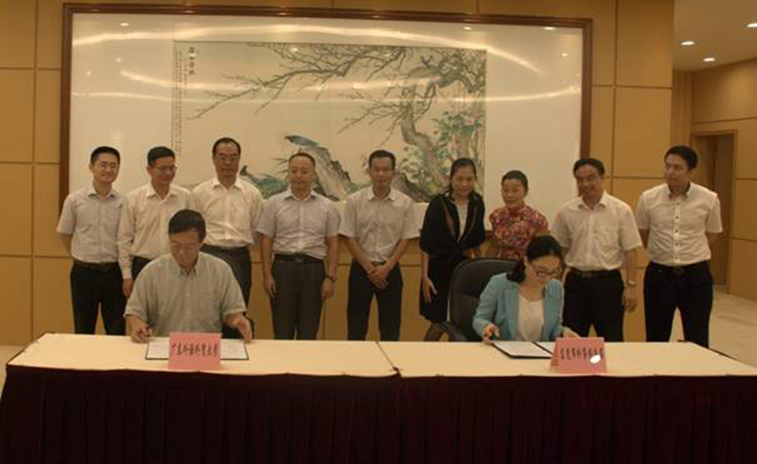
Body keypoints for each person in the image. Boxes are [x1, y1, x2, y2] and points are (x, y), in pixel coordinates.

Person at [636, 145, 722, 347]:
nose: (670, 172)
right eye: (667, 166)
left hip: (696, 275)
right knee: (656, 336)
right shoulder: (648, 198)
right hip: (659, 274)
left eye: (677, 167)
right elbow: (644, 232)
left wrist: (690, 253)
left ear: (691, 171)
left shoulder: (709, 199)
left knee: (697, 337)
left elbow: (712, 234)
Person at [124, 209, 253, 343]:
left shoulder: (220, 271)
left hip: (206, 347)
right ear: (169, 239)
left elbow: (232, 312)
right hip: (165, 345)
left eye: (189, 247)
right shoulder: (151, 272)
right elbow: (134, 312)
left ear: (202, 242)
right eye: (176, 245)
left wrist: (237, 320)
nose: (181, 252)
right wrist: (136, 324)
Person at [551, 158, 641, 341]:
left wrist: (631, 286)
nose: (585, 184)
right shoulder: (566, 211)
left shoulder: (621, 210)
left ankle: (607, 363)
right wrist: (554, 286)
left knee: (612, 339)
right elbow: (560, 252)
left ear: (602, 177)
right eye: (580, 180)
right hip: (575, 283)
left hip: (608, 283)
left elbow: (631, 251)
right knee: (571, 340)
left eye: (590, 178)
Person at [257, 152, 340, 340]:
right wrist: (267, 275)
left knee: (308, 331)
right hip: (283, 269)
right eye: (294, 171)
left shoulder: (327, 206)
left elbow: (333, 242)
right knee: (282, 330)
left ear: (313, 174)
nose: (298, 175)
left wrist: (330, 277)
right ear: (288, 173)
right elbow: (266, 239)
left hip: (314, 271)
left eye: (304, 171)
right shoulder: (274, 204)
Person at [340, 149, 419, 341]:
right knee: (356, 328)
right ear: (369, 171)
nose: (381, 174)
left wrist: (387, 267)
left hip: (390, 270)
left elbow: (406, 238)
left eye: (386, 169)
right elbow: (349, 236)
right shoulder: (355, 201)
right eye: (376, 169)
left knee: (390, 329)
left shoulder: (405, 203)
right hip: (361, 270)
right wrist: (370, 269)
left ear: (394, 172)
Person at [191, 137, 263, 337]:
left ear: (239, 159)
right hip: (208, 256)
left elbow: (256, 232)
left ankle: (233, 354)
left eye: (233, 158)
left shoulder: (252, 194)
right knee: (206, 310)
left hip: (240, 257)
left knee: (237, 312)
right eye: (222, 158)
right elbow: (194, 232)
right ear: (214, 159)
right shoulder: (199, 193)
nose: (228, 163)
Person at [57, 146, 126, 335]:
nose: (108, 170)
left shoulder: (123, 202)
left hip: (114, 273)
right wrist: (79, 255)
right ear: (91, 167)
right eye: (103, 165)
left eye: (113, 166)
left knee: (116, 329)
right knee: (83, 328)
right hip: (83, 273)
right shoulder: (74, 200)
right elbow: (64, 233)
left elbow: (125, 238)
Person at [420, 157, 486, 340]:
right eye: (459, 179)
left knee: (460, 322)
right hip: (438, 270)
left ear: (475, 179)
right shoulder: (438, 203)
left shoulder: (477, 203)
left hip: (463, 270)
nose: (464, 184)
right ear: (451, 179)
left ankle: (453, 358)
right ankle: (422, 356)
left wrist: (480, 270)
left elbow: (477, 241)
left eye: (469, 179)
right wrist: (424, 277)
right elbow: (425, 244)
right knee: (438, 322)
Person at [117, 146, 191, 298]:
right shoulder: (134, 199)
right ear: (149, 170)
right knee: (144, 311)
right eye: (163, 169)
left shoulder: (185, 197)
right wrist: (127, 276)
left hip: (177, 265)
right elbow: (124, 239)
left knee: (175, 310)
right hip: (143, 266)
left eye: (172, 168)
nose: (168, 173)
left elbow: (192, 235)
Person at [473, 235, 577, 341]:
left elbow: (554, 329)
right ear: (526, 261)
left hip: (539, 350)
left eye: (554, 271)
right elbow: (480, 319)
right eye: (541, 271)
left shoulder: (556, 288)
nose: (547, 278)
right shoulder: (499, 284)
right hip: (504, 349)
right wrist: (486, 327)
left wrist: (563, 332)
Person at [487, 170, 549, 260]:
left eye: (515, 191)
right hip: (501, 264)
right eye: (505, 190)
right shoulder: (496, 216)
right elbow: (494, 246)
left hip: (526, 265)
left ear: (526, 191)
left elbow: (542, 254)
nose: (509, 195)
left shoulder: (537, 220)